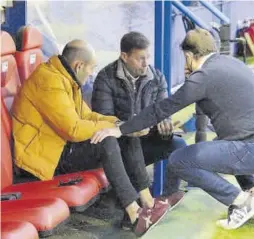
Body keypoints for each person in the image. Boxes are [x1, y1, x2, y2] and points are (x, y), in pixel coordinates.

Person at [91, 29, 254, 230]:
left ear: (188, 56)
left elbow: (161, 109)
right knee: (220, 144)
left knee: (179, 160)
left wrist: (120, 129)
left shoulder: (203, 76)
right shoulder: (231, 63)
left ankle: (240, 202)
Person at [12, 39, 170, 237]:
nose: (91, 74)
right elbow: (74, 129)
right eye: (91, 69)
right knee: (107, 140)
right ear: (79, 65)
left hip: (59, 148)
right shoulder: (49, 81)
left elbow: (87, 116)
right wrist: (114, 129)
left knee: (123, 134)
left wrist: (121, 125)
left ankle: (148, 203)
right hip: (43, 160)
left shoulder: (66, 78)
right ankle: (135, 215)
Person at [91, 32, 186, 212]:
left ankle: (165, 199)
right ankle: (136, 204)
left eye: (147, 57)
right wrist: (131, 128)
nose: (146, 63)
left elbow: (163, 111)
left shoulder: (156, 77)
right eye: (140, 58)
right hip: (117, 147)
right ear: (124, 56)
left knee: (178, 145)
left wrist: (165, 125)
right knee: (130, 138)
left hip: (145, 141)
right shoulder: (105, 78)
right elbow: (103, 119)